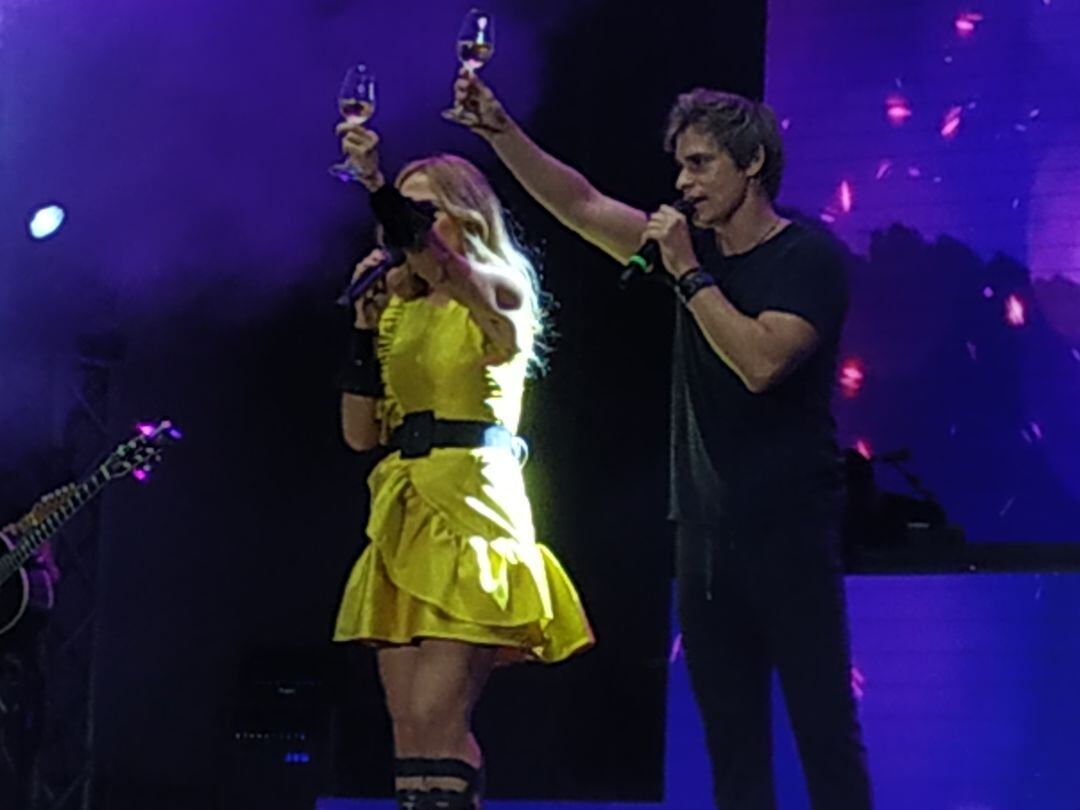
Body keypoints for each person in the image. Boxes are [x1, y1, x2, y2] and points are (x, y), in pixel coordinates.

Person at [448, 74, 873, 809]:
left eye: (701, 163)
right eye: (679, 164)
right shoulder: (691, 250)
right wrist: (498, 131)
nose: (682, 182)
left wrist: (688, 272)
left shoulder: (808, 259)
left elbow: (762, 363)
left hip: (789, 531)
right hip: (704, 538)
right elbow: (580, 205)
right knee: (732, 747)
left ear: (753, 166)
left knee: (823, 734)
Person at [330, 121, 595, 810]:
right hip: (404, 508)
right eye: (405, 214)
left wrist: (375, 184)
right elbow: (360, 434)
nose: (408, 231)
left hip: (471, 506)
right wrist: (362, 331)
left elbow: (444, 264)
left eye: (425, 212)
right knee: (409, 724)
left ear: (466, 217)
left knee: (439, 712)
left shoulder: (498, 291)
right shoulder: (398, 313)